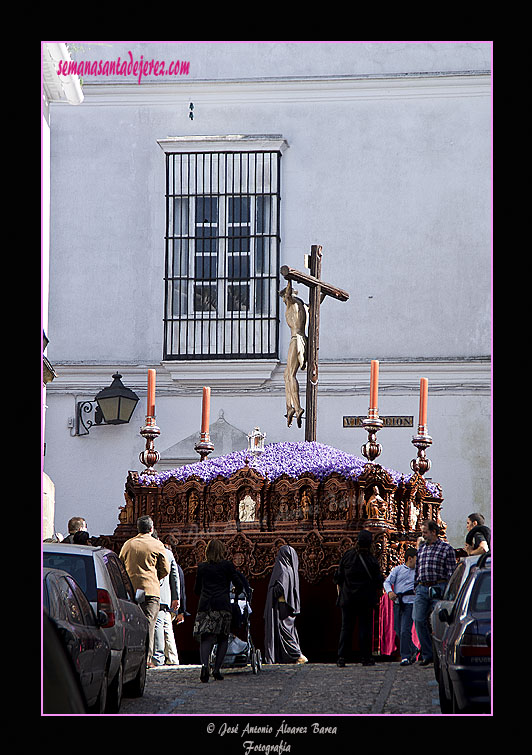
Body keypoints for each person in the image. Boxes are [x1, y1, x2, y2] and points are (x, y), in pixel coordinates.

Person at [119, 516, 170, 668]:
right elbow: (165, 569)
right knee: (149, 624)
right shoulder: (157, 545)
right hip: (150, 590)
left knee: (130, 622)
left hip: (132, 590)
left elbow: (120, 566)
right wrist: (154, 577)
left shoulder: (128, 545)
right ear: (151, 529)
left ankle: (129, 655)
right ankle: (147, 658)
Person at [193, 539, 247, 682]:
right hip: (222, 605)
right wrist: (235, 591)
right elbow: (239, 584)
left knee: (206, 637)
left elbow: (197, 589)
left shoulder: (202, 567)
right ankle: (217, 670)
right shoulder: (227, 566)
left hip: (205, 606)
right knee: (223, 637)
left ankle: (205, 666)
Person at [334, 529, 384, 667]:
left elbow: (338, 577)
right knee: (365, 629)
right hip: (365, 600)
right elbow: (378, 581)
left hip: (348, 598)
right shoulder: (371, 560)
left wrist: (341, 593)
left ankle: (342, 657)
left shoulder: (348, 556)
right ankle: (366, 657)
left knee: (346, 629)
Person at [413, 519, 457, 667]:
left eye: (425, 532)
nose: (423, 535)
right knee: (418, 619)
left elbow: (451, 573)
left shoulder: (446, 549)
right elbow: (418, 569)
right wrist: (416, 586)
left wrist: (449, 591)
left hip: (438, 588)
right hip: (422, 588)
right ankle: (427, 654)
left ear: (434, 532)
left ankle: (441, 653)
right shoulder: (421, 549)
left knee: (437, 622)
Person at [264, 545, 307, 665]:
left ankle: (297, 654)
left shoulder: (282, 570)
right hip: (288, 608)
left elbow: (279, 589)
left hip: (280, 607)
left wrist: (272, 588)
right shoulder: (291, 570)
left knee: (285, 632)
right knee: (289, 631)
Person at [383, 547, 419, 666]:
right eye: (416, 559)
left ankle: (405, 656)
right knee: (398, 630)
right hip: (398, 603)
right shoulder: (398, 570)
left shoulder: (418, 572)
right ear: (410, 559)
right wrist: (389, 592)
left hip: (410, 603)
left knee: (405, 630)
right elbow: (387, 582)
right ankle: (414, 649)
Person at [279, 280, 308, 427]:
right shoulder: (305, 307)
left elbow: (289, 294)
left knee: (290, 375)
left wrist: (289, 278)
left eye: (283, 297)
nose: (284, 300)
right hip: (302, 340)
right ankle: (289, 407)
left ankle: (297, 408)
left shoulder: (292, 303)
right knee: (286, 375)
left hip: (295, 339)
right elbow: (319, 300)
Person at [152, 532, 181, 667]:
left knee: (160, 625)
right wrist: (176, 598)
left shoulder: (133, 547)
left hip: (144, 593)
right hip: (162, 595)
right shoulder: (166, 553)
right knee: (163, 626)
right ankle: (165, 658)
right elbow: (175, 577)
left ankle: (158, 657)